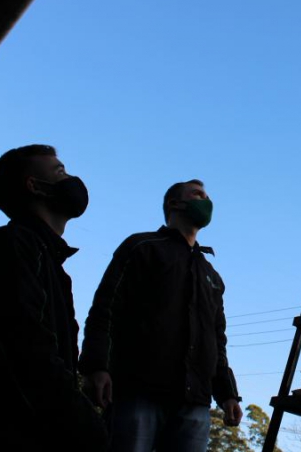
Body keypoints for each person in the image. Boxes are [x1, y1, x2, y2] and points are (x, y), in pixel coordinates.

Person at [0, 145, 107, 451]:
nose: (71, 179)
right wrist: (86, 426)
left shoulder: (43, 258)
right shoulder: (9, 249)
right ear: (34, 186)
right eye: (60, 171)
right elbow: (26, 352)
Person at [80, 179, 242, 451]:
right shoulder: (142, 247)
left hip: (195, 405)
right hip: (138, 392)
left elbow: (217, 340)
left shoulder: (212, 276)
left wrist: (227, 394)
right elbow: (105, 308)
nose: (206, 201)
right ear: (174, 204)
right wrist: (97, 366)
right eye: (198, 194)